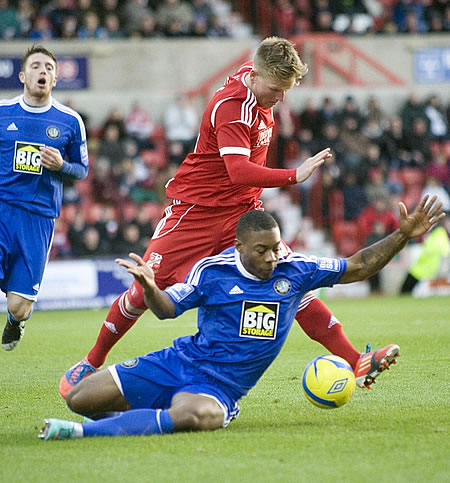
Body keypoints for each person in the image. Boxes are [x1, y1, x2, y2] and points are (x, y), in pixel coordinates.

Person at [59, 36, 367, 398]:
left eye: (286, 90)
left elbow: (268, 61)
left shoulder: (256, 83)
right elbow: (237, 170)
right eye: (276, 89)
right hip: (196, 211)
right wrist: (293, 175)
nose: (280, 98)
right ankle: (92, 361)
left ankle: (355, 360)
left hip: (243, 214)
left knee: (288, 280)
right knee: (144, 289)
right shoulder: (233, 106)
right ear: (256, 75)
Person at [40, 197, 445, 440]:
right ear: (239, 247)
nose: (272, 257)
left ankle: (79, 434)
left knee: (197, 416)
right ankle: (138, 419)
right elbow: (166, 310)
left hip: (220, 389)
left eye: (276, 247)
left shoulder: (295, 269)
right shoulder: (211, 272)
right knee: (80, 398)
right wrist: (150, 288)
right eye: (262, 250)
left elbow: (358, 266)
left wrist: (402, 235)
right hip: (177, 362)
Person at [0, 45, 89, 351]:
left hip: (38, 217)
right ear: (23, 75)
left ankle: (15, 322)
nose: (44, 72)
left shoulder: (70, 121)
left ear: (55, 80)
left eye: (50, 68)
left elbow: (82, 169)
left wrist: (60, 165)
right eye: (37, 66)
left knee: (19, 305)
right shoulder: (3, 113)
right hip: (2, 208)